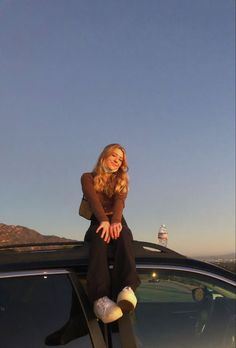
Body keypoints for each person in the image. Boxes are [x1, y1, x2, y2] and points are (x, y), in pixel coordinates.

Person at [81, 143, 140, 324]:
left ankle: (127, 288)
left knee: (124, 236)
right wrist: (104, 222)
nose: (117, 160)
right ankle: (100, 299)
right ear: (104, 156)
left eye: (120, 159)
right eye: (114, 155)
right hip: (98, 219)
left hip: (116, 219)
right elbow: (93, 200)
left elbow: (119, 202)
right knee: (99, 240)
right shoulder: (87, 177)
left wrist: (114, 222)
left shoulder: (121, 180)